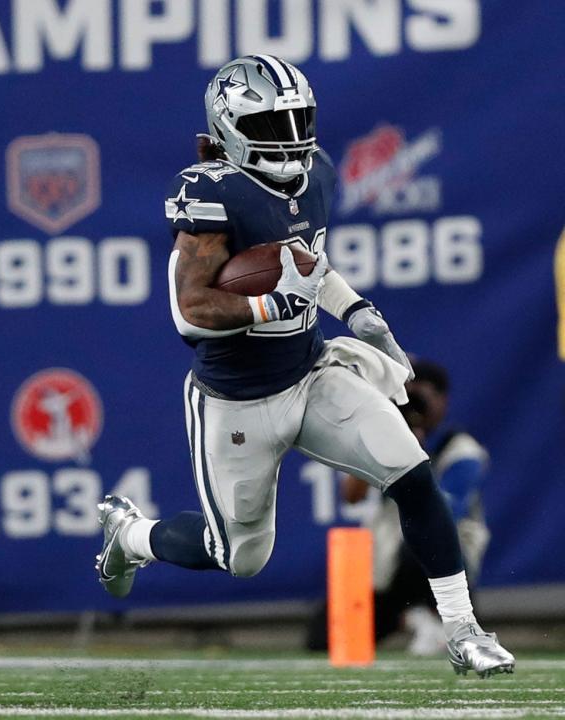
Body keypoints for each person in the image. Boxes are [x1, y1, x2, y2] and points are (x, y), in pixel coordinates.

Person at [95, 55, 513, 677]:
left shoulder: (314, 173)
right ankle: (131, 537)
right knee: (238, 556)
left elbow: (306, 262)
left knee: (412, 473)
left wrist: (357, 310)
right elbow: (191, 310)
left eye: (298, 118)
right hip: (237, 399)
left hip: (311, 372)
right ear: (232, 128)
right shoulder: (212, 191)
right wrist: (272, 301)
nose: (290, 137)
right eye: (270, 123)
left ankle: (464, 630)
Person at [305, 364, 491, 656]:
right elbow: (352, 496)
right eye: (404, 400)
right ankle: (415, 620)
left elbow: (443, 515)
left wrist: (414, 460)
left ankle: (436, 619)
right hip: (387, 571)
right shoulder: (387, 439)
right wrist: (378, 444)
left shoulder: (462, 451)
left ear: (441, 402)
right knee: (322, 639)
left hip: (443, 570)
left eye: (420, 401)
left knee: (424, 538)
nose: (412, 409)